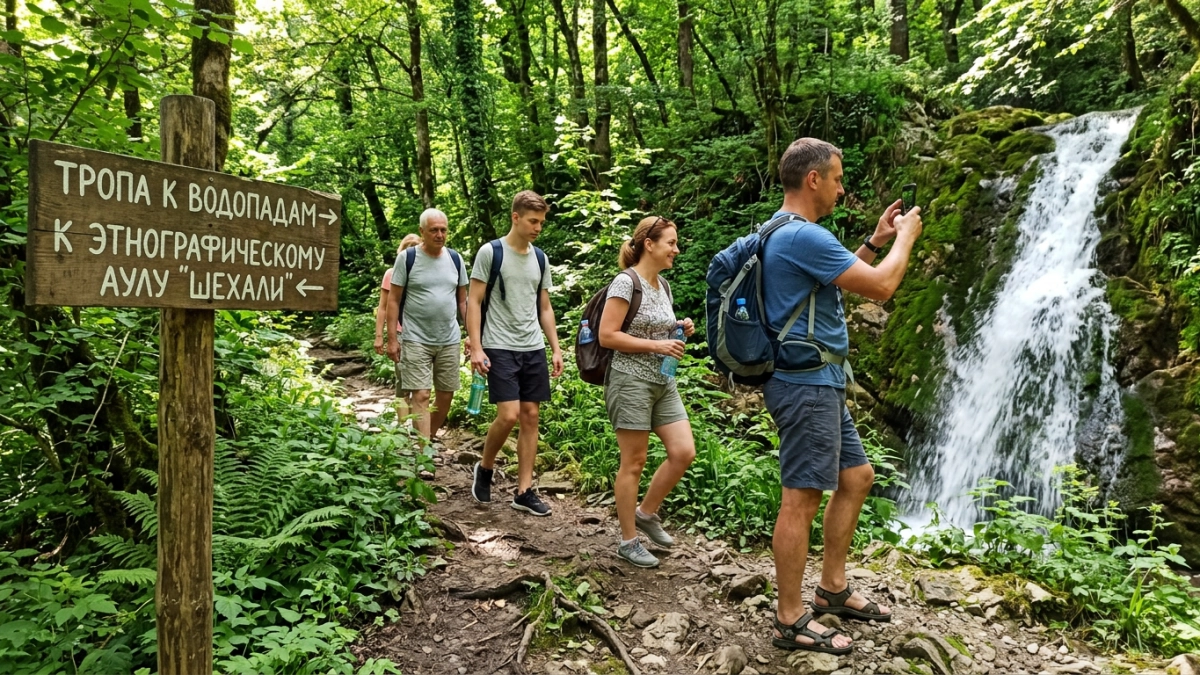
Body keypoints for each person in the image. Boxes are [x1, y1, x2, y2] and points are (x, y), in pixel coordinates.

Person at [762, 138, 922, 655]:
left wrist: (875, 241)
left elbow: (839, 282)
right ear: (813, 180)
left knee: (856, 477)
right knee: (802, 498)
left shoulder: (786, 233)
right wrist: (906, 239)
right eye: (836, 177)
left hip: (819, 382)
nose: (841, 187)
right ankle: (789, 619)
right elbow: (879, 288)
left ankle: (832, 589)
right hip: (805, 385)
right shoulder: (803, 236)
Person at [597, 216, 696, 568]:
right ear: (649, 244)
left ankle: (646, 512)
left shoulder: (663, 286)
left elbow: (656, 328)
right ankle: (628, 541)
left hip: (662, 382)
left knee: (683, 452)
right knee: (634, 462)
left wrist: (679, 327)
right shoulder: (626, 283)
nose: (676, 249)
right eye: (671, 242)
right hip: (629, 381)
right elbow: (607, 336)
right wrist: (657, 347)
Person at [466, 191, 563, 516]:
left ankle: (524, 491)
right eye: (533, 221)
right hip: (498, 345)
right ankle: (485, 467)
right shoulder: (490, 252)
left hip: (532, 346)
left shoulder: (540, 258)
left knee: (531, 416)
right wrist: (476, 346)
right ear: (516, 217)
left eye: (542, 222)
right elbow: (474, 302)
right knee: (508, 416)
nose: (538, 228)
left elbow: (545, 306)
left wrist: (556, 347)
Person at [385, 211, 468, 442]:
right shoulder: (407, 258)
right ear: (422, 232)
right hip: (415, 338)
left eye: (443, 230)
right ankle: (425, 453)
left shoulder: (455, 259)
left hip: (449, 339)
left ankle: (427, 437)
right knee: (420, 394)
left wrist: (472, 335)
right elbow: (393, 300)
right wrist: (392, 339)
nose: (440, 235)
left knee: (446, 395)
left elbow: (463, 300)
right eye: (434, 230)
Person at [376, 234, 421, 421]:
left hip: (423, 334)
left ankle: (418, 429)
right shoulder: (392, 273)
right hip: (401, 333)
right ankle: (403, 428)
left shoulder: (426, 273)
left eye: (415, 247)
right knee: (402, 381)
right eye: (407, 247)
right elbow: (383, 307)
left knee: (421, 384)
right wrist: (380, 335)